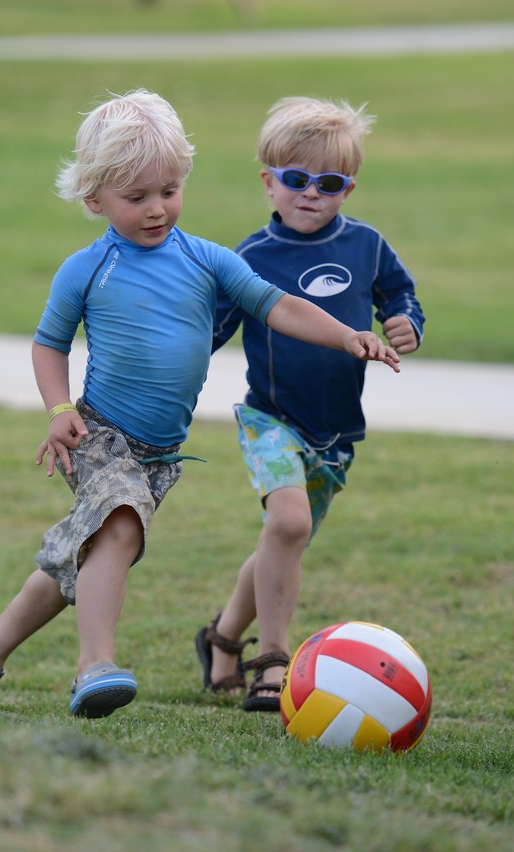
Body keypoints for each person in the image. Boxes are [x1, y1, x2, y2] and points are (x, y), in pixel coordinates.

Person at [0, 89, 400, 718]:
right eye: (136, 198)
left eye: (168, 191)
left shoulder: (207, 260)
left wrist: (347, 334)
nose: (157, 208)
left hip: (160, 453)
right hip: (101, 432)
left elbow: (280, 305)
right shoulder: (86, 270)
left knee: (75, 562)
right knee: (118, 528)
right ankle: (94, 668)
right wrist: (60, 412)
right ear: (94, 198)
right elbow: (48, 345)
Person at [196, 97, 425, 712]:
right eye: (295, 180)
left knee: (282, 538)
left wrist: (404, 321)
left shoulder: (368, 246)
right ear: (268, 181)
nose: (310, 194)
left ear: (348, 188)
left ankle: (220, 640)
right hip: (270, 419)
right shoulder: (249, 259)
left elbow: (400, 296)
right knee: (289, 523)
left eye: (329, 183)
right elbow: (208, 333)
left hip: (336, 434)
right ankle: (273, 662)